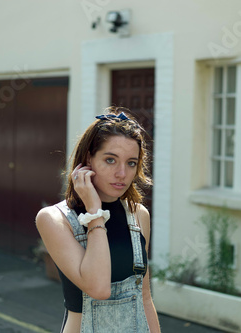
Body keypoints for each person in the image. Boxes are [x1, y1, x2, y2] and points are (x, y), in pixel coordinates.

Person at [35, 106, 161, 333]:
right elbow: (98, 287)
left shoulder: (138, 215)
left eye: (131, 163)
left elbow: (144, 296)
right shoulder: (55, 219)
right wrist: (95, 212)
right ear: (87, 160)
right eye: (111, 160)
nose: (122, 173)